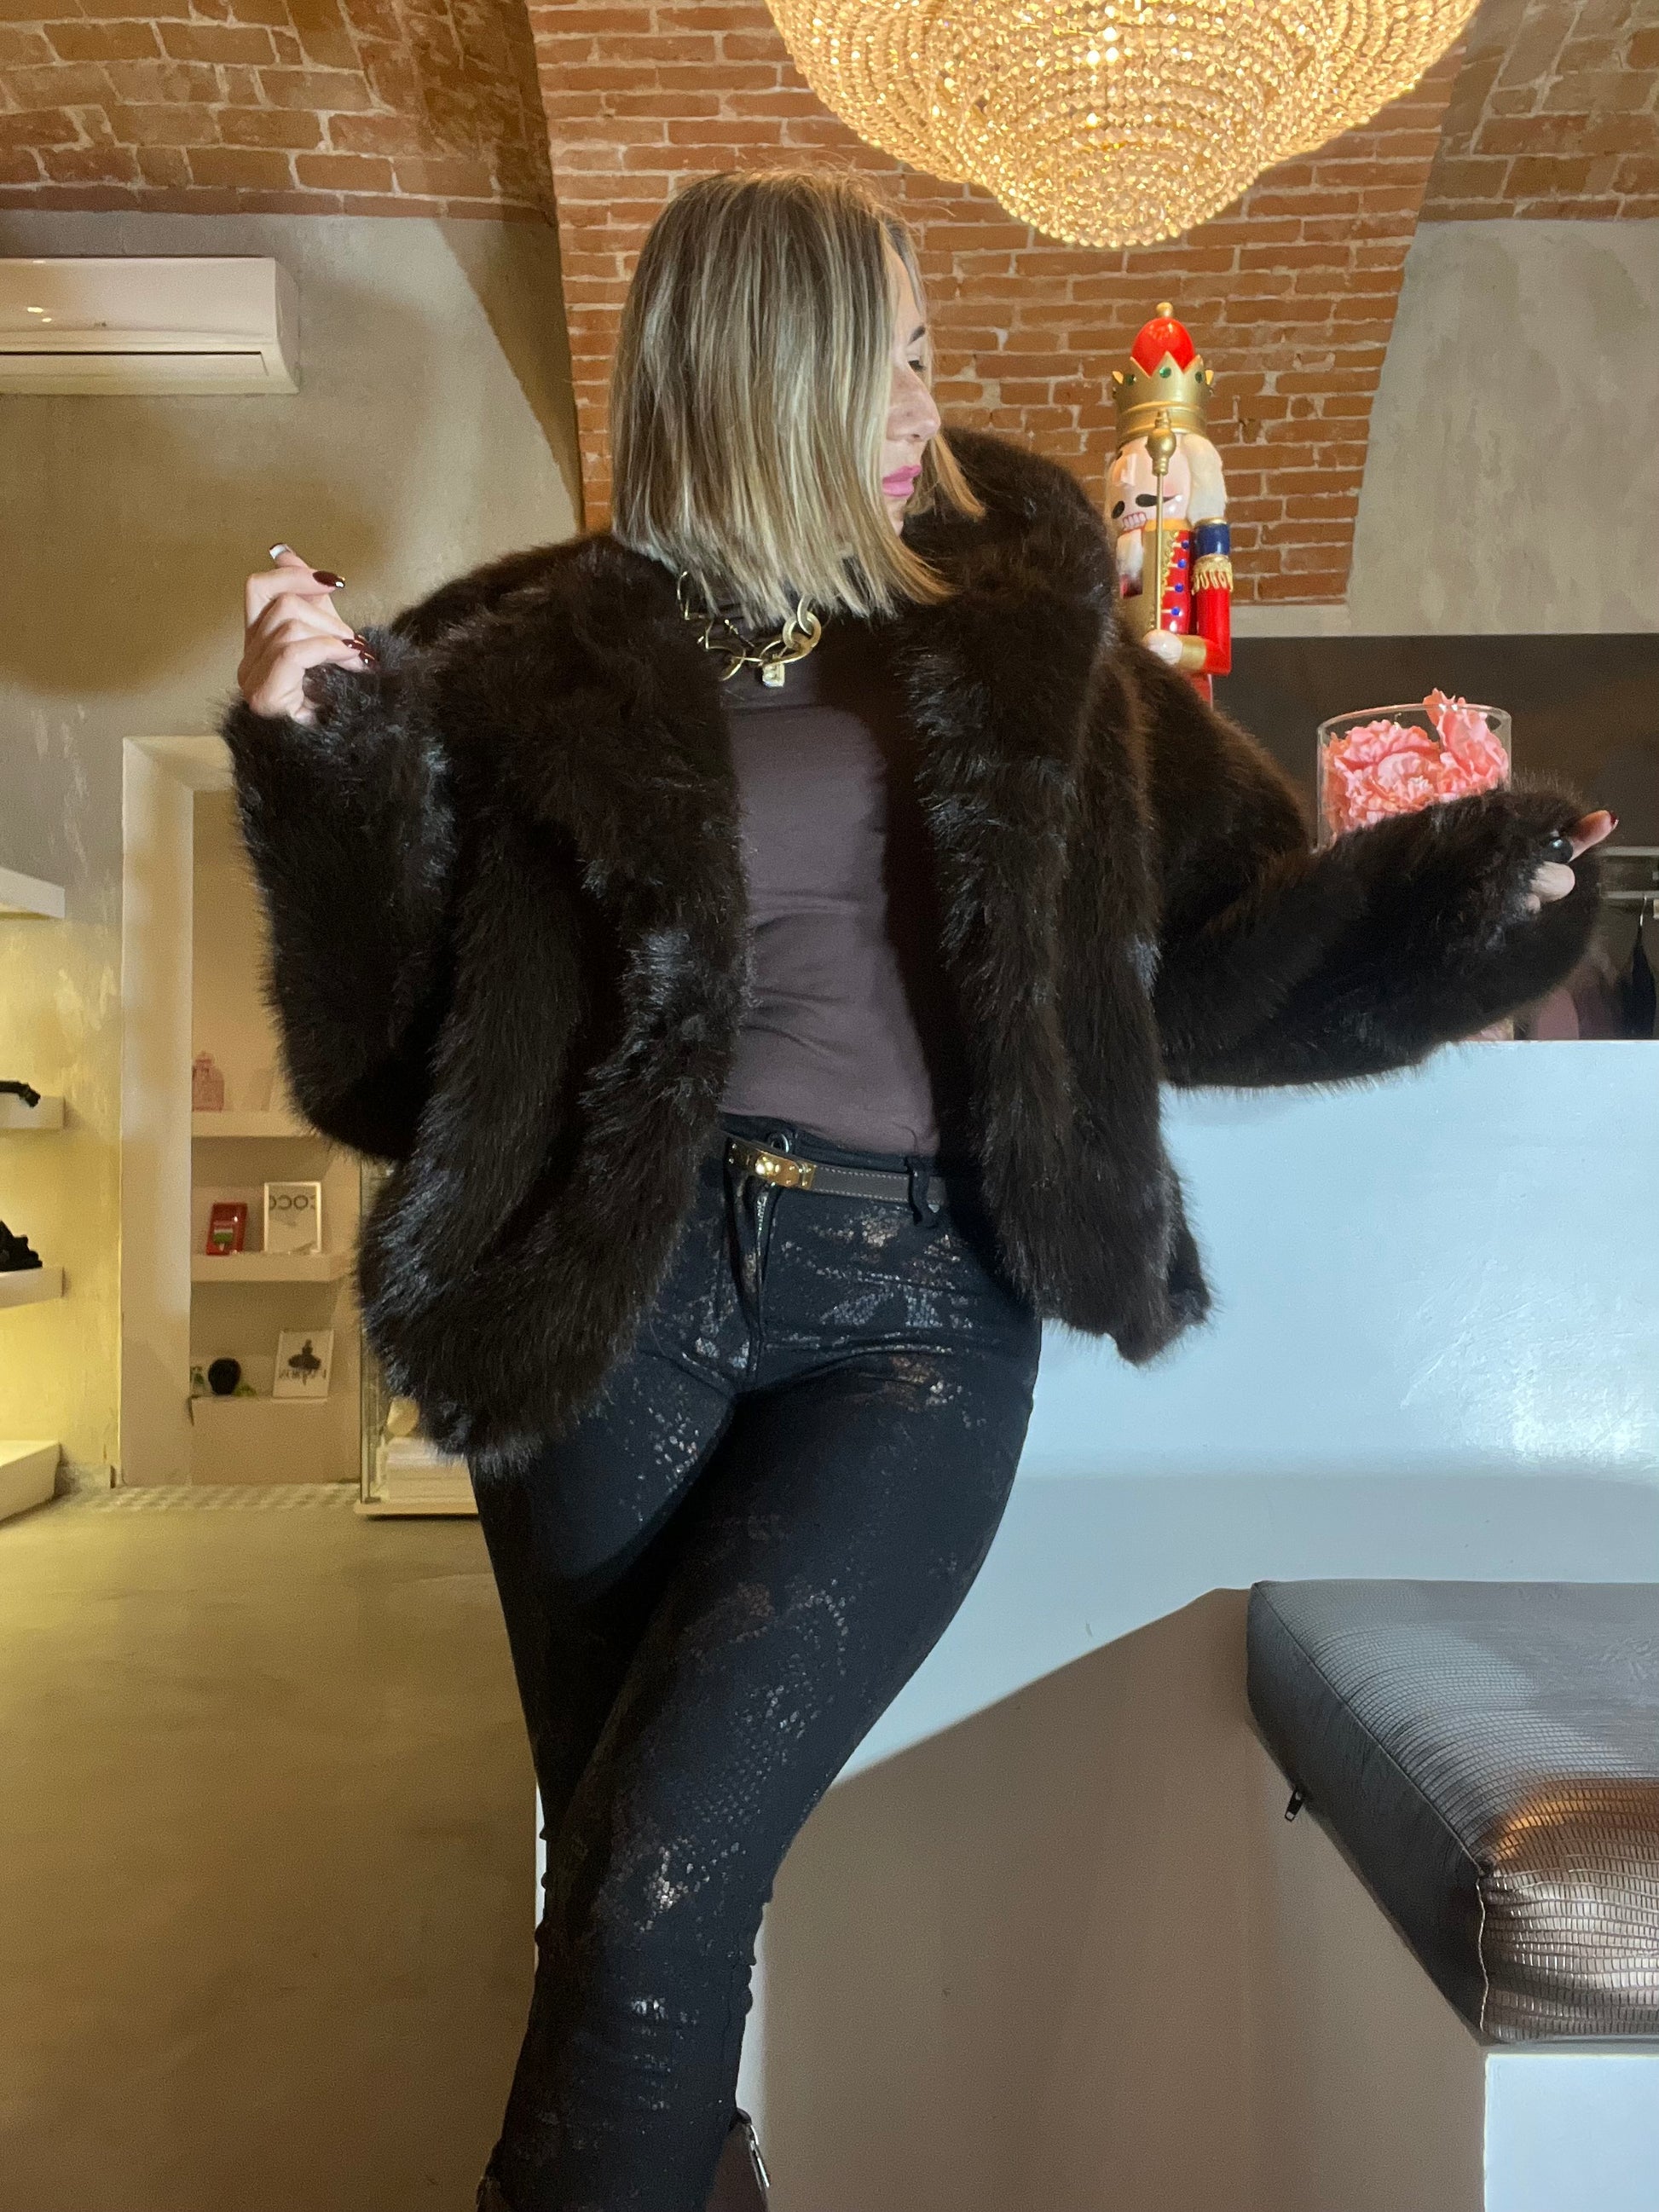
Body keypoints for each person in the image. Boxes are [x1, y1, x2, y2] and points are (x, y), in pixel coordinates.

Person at [224, 167, 1610, 2212]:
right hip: (612, 1296)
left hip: (910, 1314)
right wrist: (321, 774)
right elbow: (385, 1066)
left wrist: (1463, 898)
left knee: (655, 1872)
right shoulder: (518, 662)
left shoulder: (1030, 643)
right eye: (880, 358)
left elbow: (1216, 955)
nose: (921, 402)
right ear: (752, 368)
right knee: (620, 1883)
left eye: (922, 354)